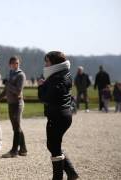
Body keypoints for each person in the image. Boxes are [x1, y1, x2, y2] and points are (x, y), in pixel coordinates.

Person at [38, 51, 79, 180]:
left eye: (47, 61)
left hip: (58, 115)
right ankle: (71, 173)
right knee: (53, 145)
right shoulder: (62, 74)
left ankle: (58, 177)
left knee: (54, 145)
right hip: (62, 115)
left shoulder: (57, 77)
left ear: (54, 63)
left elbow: (45, 98)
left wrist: (41, 86)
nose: (45, 64)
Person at [0, 56, 28, 158]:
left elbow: (18, 91)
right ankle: (23, 149)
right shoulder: (11, 74)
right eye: (14, 63)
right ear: (10, 64)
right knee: (16, 126)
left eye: (17, 63)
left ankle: (14, 151)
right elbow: (6, 91)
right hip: (11, 104)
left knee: (16, 127)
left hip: (17, 104)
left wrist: (8, 84)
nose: (15, 65)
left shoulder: (21, 75)